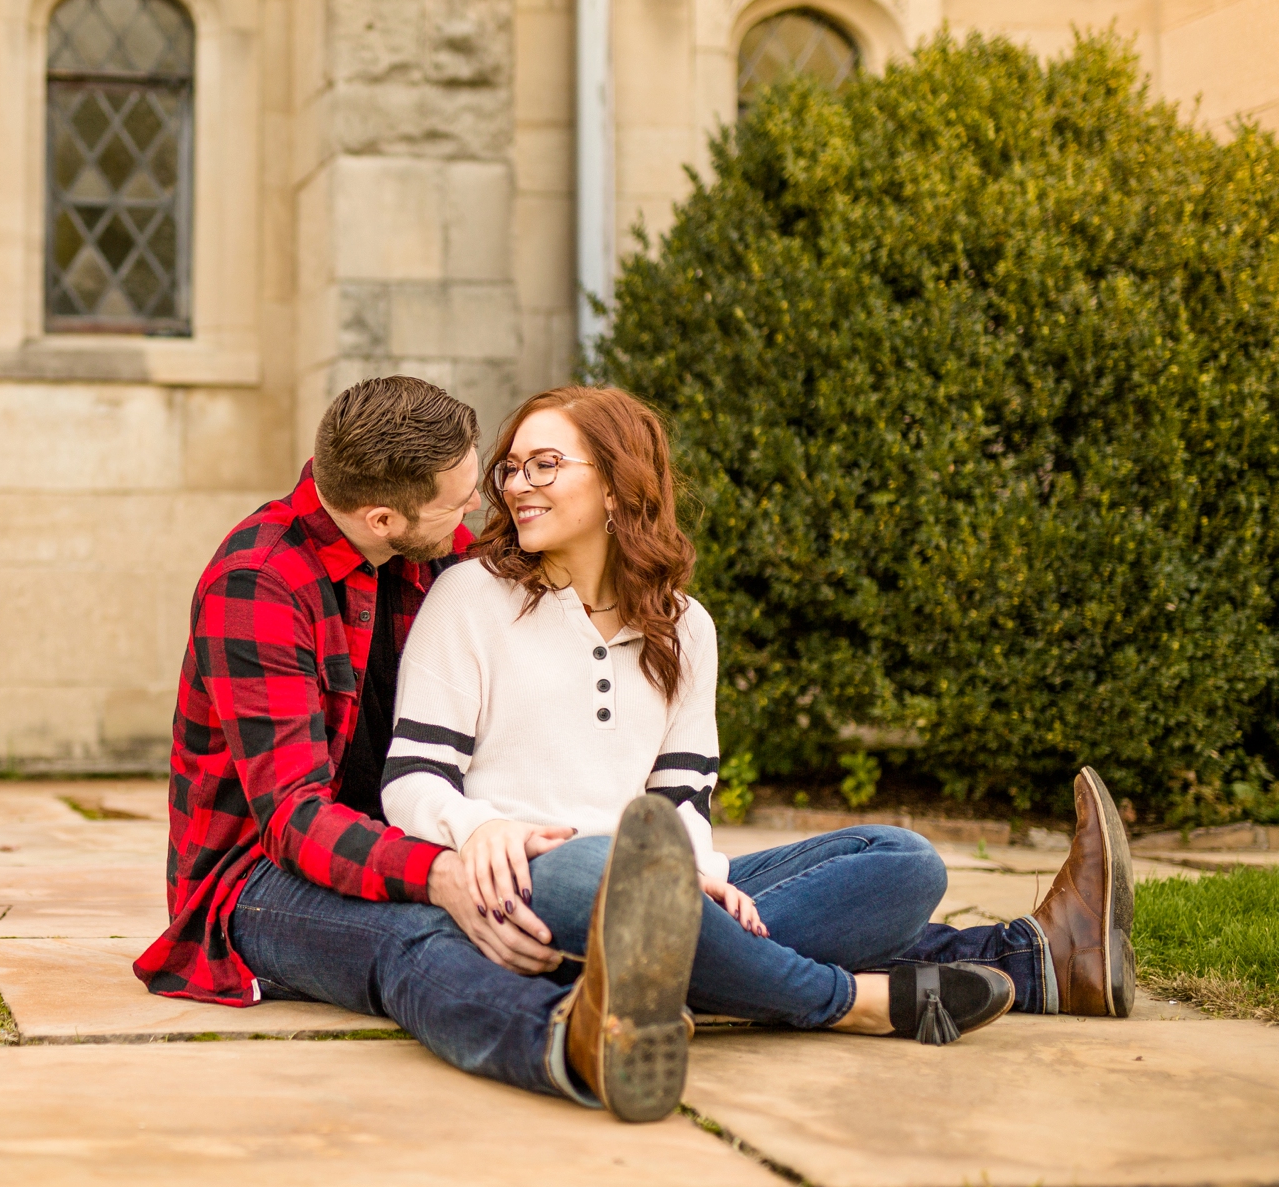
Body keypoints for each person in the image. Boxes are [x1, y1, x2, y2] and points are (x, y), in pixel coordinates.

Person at [136, 377, 1132, 1121]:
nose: (482, 511)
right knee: (426, 943)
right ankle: (598, 1035)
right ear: (386, 515)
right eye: (466, 494)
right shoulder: (264, 583)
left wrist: (694, 871)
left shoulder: (424, 561)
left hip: (519, 860)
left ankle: (1036, 962)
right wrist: (448, 865)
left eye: (522, 469)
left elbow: (672, 791)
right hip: (260, 879)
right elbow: (296, 818)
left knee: (879, 865)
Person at [381, 384, 1134, 1041]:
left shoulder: (685, 626)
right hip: (536, 884)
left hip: (654, 880)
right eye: (510, 468)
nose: (517, 485)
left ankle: (654, 975)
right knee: (596, 871)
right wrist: (479, 830)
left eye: (545, 464)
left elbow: (679, 799)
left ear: (617, 486)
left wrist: (699, 873)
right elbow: (412, 781)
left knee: (903, 864)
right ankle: (849, 1001)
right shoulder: (471, 598)